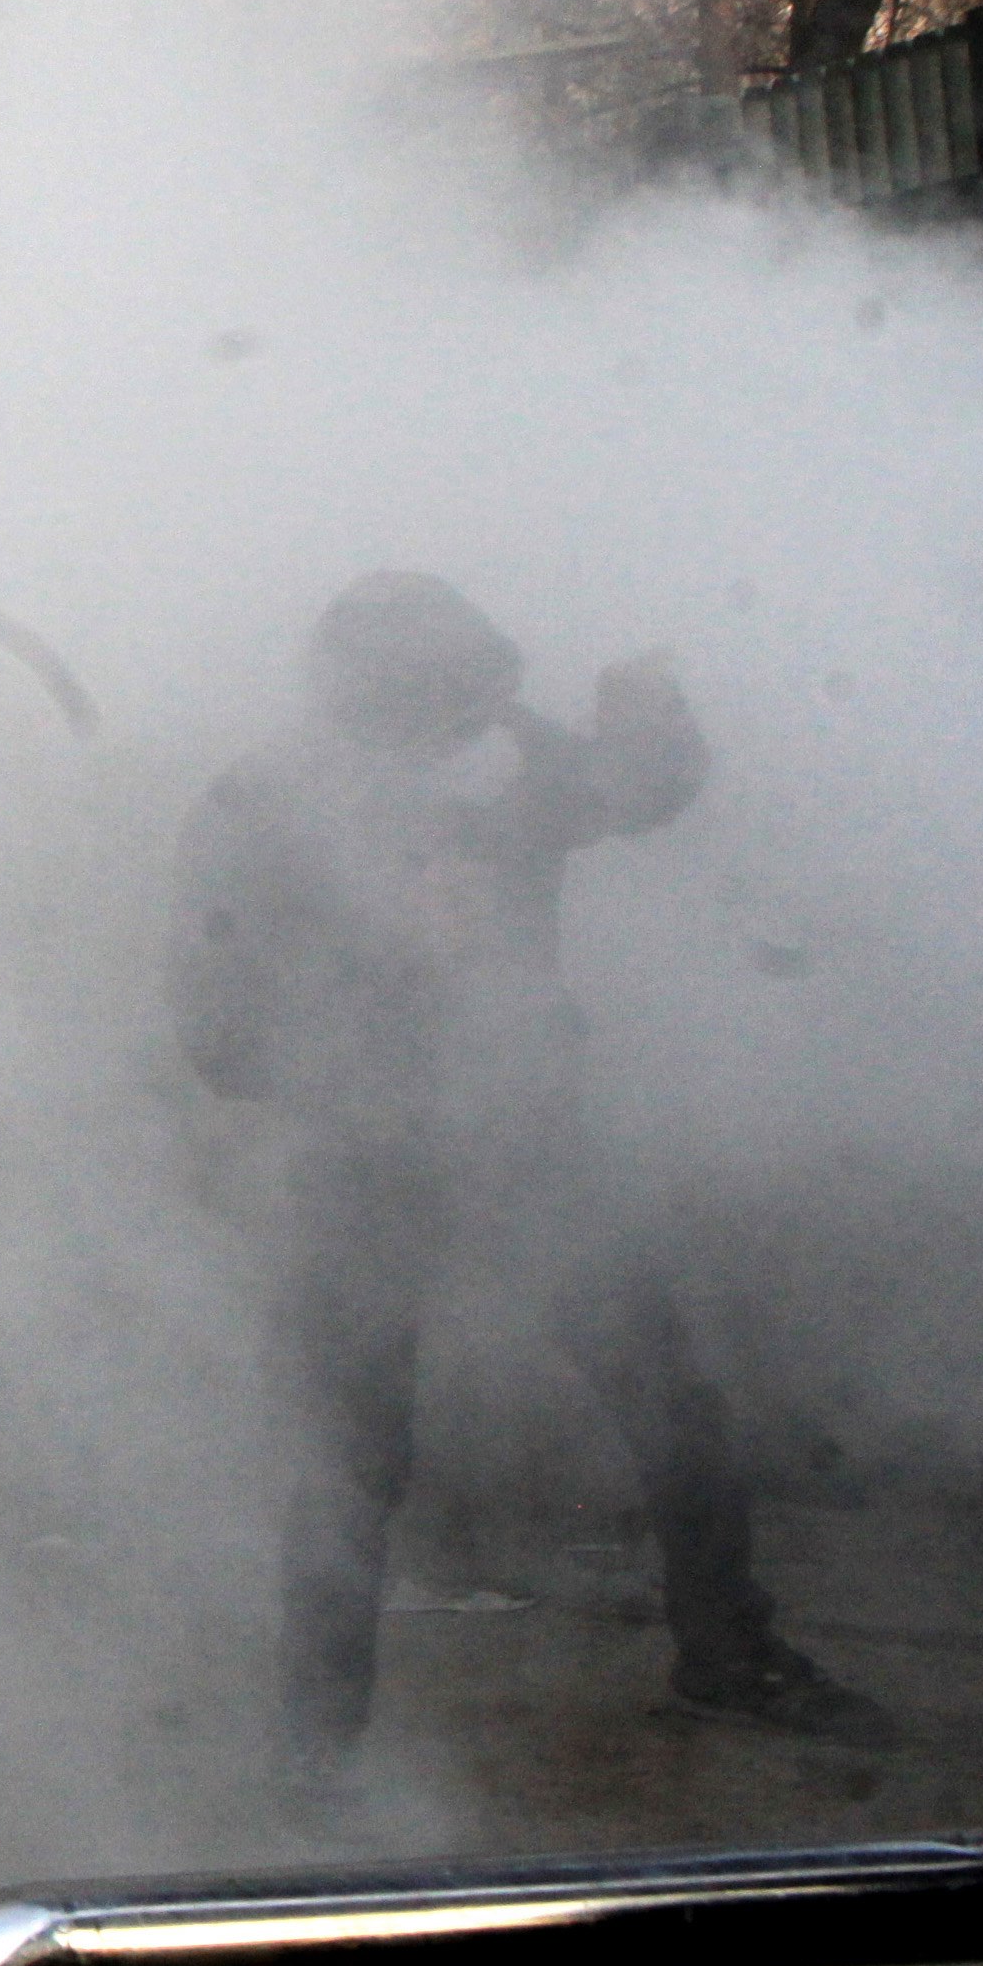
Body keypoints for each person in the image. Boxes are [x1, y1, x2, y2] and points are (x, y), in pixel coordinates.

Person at [168, 570, 896, 1786]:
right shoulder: (257, 810)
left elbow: (642, 791)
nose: (474, 732)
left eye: (480, 704)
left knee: (673, 1400)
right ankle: (316, 1746)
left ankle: (728, 1656)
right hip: (366, 1157)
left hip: (530, 1135)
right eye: (445, 708)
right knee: (349, 1455)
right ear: (371, 703)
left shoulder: (502, 766)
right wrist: (380, 983)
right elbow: (217, 1038)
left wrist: (652, 712)